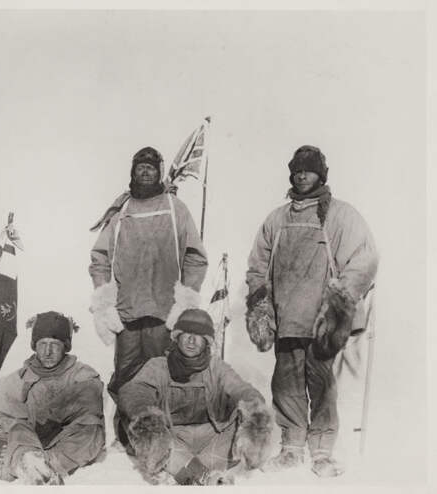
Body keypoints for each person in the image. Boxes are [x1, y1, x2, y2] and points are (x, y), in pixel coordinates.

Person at [245, 145, 378, 477]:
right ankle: (291, 446)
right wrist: (261, 303)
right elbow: (258, 266)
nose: (302, 175)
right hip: (286, 316)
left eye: (309, 169)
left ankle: (322, 451)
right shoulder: (277, 219)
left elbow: (364, 259)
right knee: (285, 382)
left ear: (321, 174)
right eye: (297, 170)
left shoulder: (341, 215)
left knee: (321, 384)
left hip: (321, 321)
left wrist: (340, 300)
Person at [89, 146, 208, 445]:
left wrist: (186, 300)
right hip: (127, 313)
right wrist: (104, 299)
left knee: (164, 376)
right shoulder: (122, 211)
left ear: (159, 171)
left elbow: (195, 256)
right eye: (139, 167)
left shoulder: (174, 207)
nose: (145, 172)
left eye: (150, 167)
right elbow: (100, 257)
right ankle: (128, 435)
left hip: (163, 314)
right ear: (132, 172)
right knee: (127, 377)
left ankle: (162, 435)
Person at [118, 309, 273, 485]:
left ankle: (189, 472)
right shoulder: (158, 366)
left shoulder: (216, 367)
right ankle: (202, 476)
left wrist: (254, 414)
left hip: (212, 439)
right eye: (187, 334)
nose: (192, 340)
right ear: (177, 337)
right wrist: (145, 415)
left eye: (199, 336)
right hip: (173, 439)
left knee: (244, 421)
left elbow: (241, 389)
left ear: (206, 342)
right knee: (145, 429)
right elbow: (134, 390)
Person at [0, 311, 105, 485]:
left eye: (55, 344)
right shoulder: (17, 380)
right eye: (42, 343)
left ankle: (35, 467)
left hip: (65, 443)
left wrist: (50, 416)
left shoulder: (82, 375)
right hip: (27, 441)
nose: (48, 351)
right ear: (34, 346)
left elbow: (89, 415)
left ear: (65, 346)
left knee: (92, 431)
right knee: (18, 428)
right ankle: (32, 466)